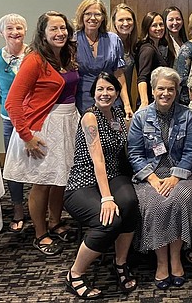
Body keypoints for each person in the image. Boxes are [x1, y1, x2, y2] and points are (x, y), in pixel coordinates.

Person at [4, 11, 80, 256]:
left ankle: (55, 222)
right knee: (42, 183)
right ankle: (40, 233)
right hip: (44, 127)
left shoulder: (66, 55)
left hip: (67, 122)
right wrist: (26, 136)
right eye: (53, 29)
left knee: (60, 180)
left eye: (63, 28)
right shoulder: (34, 59)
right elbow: (12, 102)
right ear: (43, 34)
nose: (60, 33)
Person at [64, 72, 139, 299]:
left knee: (130, 203)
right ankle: (75, 274)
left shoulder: (116, 115)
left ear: (117, 93)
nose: (104, 94)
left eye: (109, 89)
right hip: (83, 181)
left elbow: (120, 151)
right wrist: (107, 198)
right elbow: (98, 160)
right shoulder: (90, 118)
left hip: (113, 175)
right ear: (93, 92)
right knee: (109, 220)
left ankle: (120, 263)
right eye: (100, 89)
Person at [128, 67, 192, 289]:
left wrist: (175, 178)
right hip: (150, 177)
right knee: (158, 202)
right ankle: (161, 262)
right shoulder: (140, 117)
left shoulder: (188, 116)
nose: (166, 93)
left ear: (177, 90)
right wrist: (152, 179)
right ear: (152, 89)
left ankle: (175, 258)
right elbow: (134, 153)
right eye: (161, 88)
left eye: (171, 89)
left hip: (181, 175)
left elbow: (191, 150)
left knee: (180, 199)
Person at [0, 13, 30, 233]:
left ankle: (43, 210)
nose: (15, 33)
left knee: (42, 164)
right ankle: (18, 209)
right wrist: (10, 106)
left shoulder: (35, 55)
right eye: (10, 29)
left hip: (35, 118)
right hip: (9, 121)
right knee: (13, 166)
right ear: (1, 32)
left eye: (19, 28)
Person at [74, 0, 133, 118]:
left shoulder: (113, 39)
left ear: (103, 17)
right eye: (88, 14)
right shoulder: (72, 40)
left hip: (111, 99)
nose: (93, 18)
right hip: (83, 101)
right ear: (82, 16)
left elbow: (119, 75)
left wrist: (127, 104)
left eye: (97, 14)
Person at [135, 11, 175, 108]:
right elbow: (142, 77)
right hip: (150, 104)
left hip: (159, 101)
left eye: (161, 24)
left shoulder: (161, 47)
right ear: (147, 28)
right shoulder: (148, 49)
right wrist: (144, 102)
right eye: (154, 25)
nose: (159, 28)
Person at [111, 3, 138, 108]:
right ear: (114, 22)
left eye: (129, 19)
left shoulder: (133, 45)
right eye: (121, 20)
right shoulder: (109, 44)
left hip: (126, 99)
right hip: (110, 100)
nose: (126, 23)